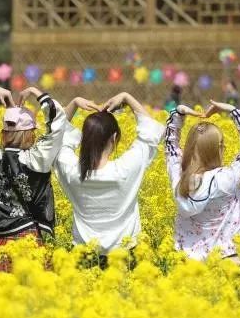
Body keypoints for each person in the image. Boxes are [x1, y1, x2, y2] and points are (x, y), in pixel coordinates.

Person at [0, 85, 66, 272]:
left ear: (3, 133)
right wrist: (37, 93)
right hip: (29, 239)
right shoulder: (37, 159)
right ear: (30, 134)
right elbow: (58, 119)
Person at [54, 92, 165, 265]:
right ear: (114, 139)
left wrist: (74, 103)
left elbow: (56, 138)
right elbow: (150, 132)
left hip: (84, 257)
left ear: (85, 138)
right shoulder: (125, 169)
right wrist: (128, 98)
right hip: (125, 257)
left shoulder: (72, 172)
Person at [165, 100, 240, 264]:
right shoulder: (226, 179)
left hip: (189, 264)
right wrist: (233, 111)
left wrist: (177, 113)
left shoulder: (180, 178)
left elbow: (170, 147)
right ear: (218, 149)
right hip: (228, 260)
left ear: (189, 149)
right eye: (221, 145)